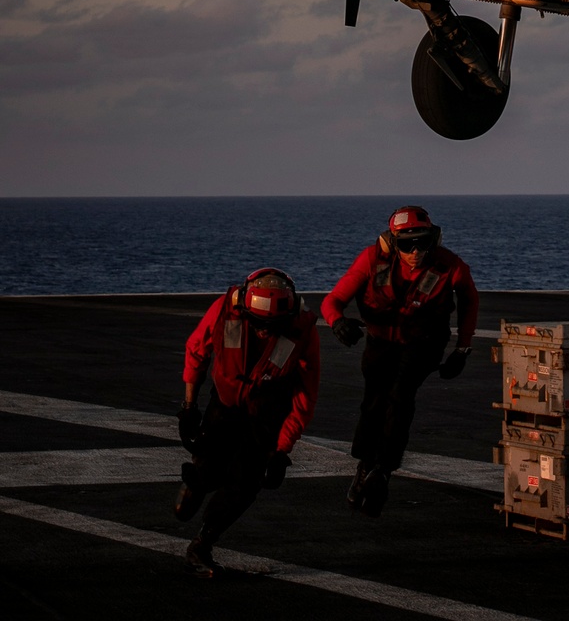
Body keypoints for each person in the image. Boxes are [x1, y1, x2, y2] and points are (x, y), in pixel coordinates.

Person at [322, 205, 479, 519]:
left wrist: (461, 351)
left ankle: (383, 469)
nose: (416, 251)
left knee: (401, 396)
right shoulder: (371, 260)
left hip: (423, 344)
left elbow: (469, 300)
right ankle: (365, 465)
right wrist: (337, 323)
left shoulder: (450, 266)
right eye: (408, 245)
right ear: (394, 243)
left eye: (423, 242)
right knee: (373, 402)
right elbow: (333, 301)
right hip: (381, 342)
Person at [174, 267, 320, 578]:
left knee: (245, 484)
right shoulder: (224, 310)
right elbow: (196, 350)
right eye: (259, 324)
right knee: (209, 471)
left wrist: (282, 450)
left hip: (266, 414)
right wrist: (188, 407)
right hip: (224, 405)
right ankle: (196, 483)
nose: (266, 332)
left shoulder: (303, 331)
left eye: (274, 326)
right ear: (245, 310)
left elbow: (305, 396)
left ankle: (201, 546)